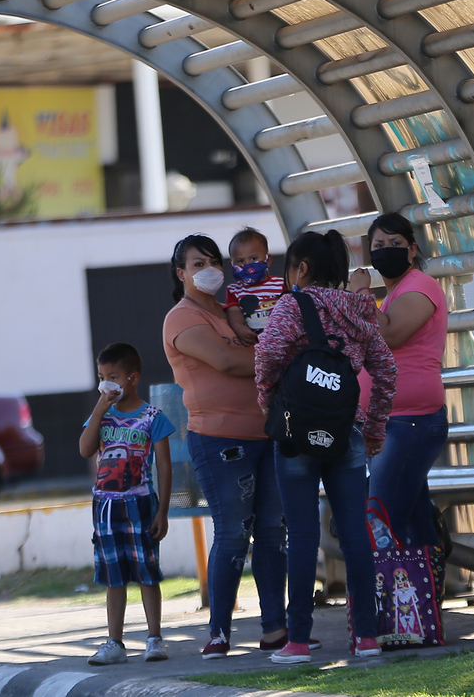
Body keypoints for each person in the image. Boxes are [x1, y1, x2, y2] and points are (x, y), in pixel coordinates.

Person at [254, 230, 397, 664]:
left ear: (300, 269)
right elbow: (386, 371)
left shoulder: (291, 306)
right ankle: (367, 638)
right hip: (347, 435)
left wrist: (272, 407)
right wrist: (373, 429)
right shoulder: (359, 312)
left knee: (301, 536)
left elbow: (266, 359)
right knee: (354, 533)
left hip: (296, 436)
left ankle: (297, 641)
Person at [161, 234, 289, 660]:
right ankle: (218, 633)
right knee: (234, 534)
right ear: (182, 274)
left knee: (272, 532)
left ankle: (276, 630)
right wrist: (284, 354)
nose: (208, 269)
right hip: (220, 441)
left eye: (214, 261)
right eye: (198, 264)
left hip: (269, 435)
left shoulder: (237, 308)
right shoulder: (181, 318)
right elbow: (230, 362)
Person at [350, 212, 449, 549]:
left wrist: (362, 291)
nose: (386, 250)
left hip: (410, 422)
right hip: (388, 423)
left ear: (412, 249)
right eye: (378, 245)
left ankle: (390, 596)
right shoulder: (392, 295)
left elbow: (389, 333)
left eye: (395, 244)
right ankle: (422, 598)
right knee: (414, 520)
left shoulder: (421, 285)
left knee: (381, 517)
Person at [79, 343, 175, 665]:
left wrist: (162, 510)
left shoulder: (152, 417)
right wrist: (98, 411)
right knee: (113, 576)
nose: (106, 383)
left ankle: (154, 638)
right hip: (105, 508)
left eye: (113, 377)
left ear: (132, 379)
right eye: (101, 377)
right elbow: (85, 449)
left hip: (140, 504)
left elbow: (164, 464)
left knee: (147, 572)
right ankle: (115, 643)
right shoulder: (102, 416)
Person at [225, 227, 287, 345]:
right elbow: (234, 312)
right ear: (232, 265)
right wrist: (238, 327)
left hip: (283, 339)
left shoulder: (281, 284)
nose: (248, 265)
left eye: (253, 259)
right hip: (255, 343)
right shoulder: (234, 290)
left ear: (268, 260)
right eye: (240, 261)